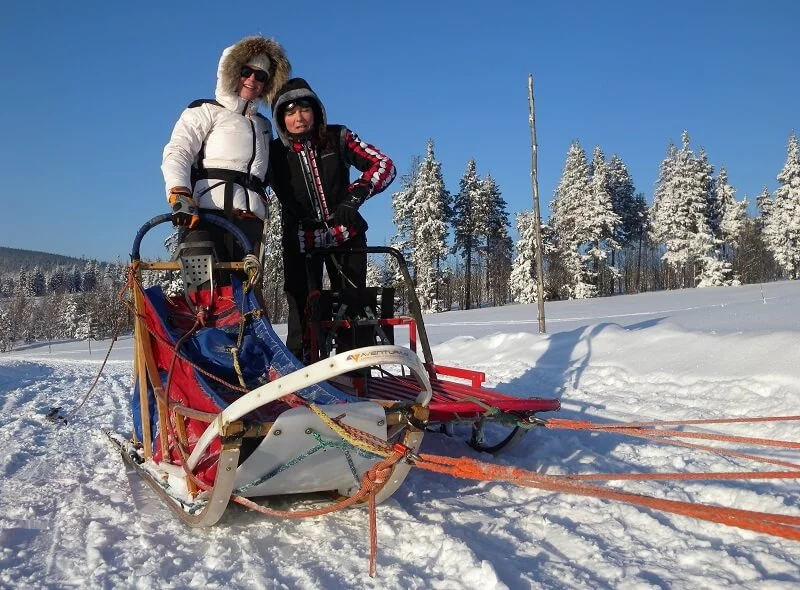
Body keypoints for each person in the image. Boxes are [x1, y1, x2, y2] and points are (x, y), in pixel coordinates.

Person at [268, 78, 396, 360]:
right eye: (289, 112)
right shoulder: (273, 154)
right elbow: (250, 182)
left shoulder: (338, 138)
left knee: (353, 305)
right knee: (301, 309)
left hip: (346, 234)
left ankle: (357, 370)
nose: (298, 118)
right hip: (301, 242)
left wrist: (355, 196)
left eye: (304, 109)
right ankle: (301, 368)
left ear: (316, 111)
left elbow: (383, 165)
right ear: (281, 119)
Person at [161, 36, 290, 287]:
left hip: (249, 223)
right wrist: (179, 191)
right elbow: (178, 151)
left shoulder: (264, 126)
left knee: (245, 299)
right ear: (232, 72)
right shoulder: (205, 111)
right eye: (246, 71)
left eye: (261, 76)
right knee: (203, 292)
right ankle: (199, 324)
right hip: (203, 216)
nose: (253, 80)